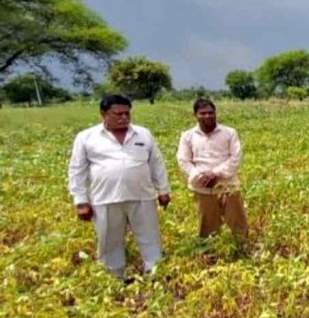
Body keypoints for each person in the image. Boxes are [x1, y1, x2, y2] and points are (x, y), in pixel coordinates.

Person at [68, 94, 170, 279]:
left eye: (127, 113)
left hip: (142, 196)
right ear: (103, 114)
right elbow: (77, 170)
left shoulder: (143, 134)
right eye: (118, 114)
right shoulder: (86, 137)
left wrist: (163, 190)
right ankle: (115, 278)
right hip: (105, 198)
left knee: (150, 238)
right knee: (109, 241)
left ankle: (155, 274)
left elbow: (156, 163)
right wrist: (81, 201)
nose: (124, 118)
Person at [177, 98, 249, 240]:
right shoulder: (188, 136)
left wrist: (215, 174)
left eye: (211, 113)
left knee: (238, 223)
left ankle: (241, 250)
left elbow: (236, 157)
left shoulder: (229, 133)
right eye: (203, 113)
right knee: (208, 226)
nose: (208, 116)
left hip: (228, 186)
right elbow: (183, 160)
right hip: (203, 187)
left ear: (215, 113)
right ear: (195, 115)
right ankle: (210, 255)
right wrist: (200, 176)